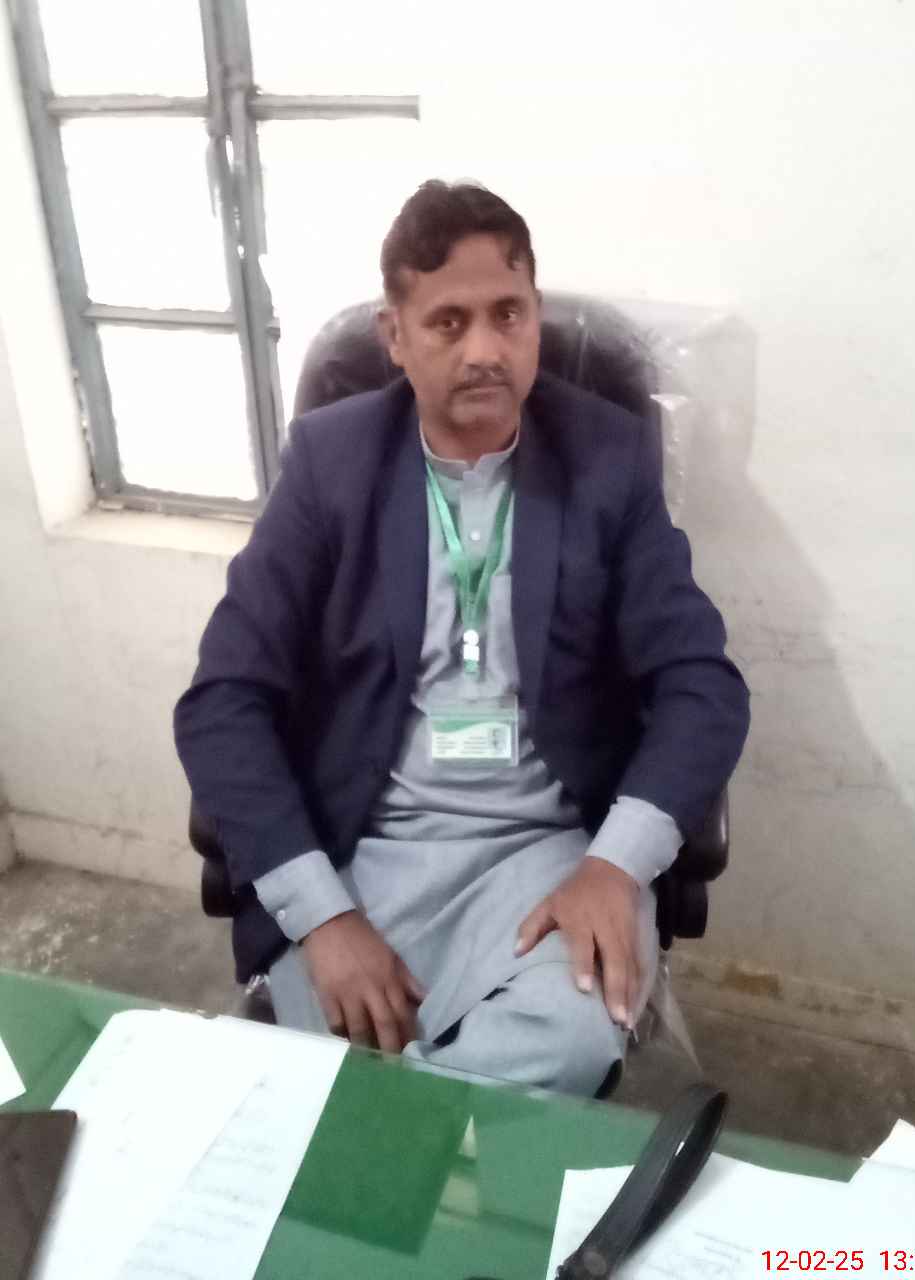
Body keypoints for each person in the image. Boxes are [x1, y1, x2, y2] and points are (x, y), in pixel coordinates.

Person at [174, 180, 749, 1097]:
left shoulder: (606, 459)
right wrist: (322, 918)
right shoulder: (332, 463)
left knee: (562, 1041)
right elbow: (222, 703)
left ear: (534, 316)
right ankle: (437, 1139)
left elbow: (701, 687)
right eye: (448, 322)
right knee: (335, 1061)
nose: (485, 350)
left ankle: (410, 1133)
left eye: (507, 314)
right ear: (394, 336)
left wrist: (616, 867)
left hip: (551, 858)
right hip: (367, 851)